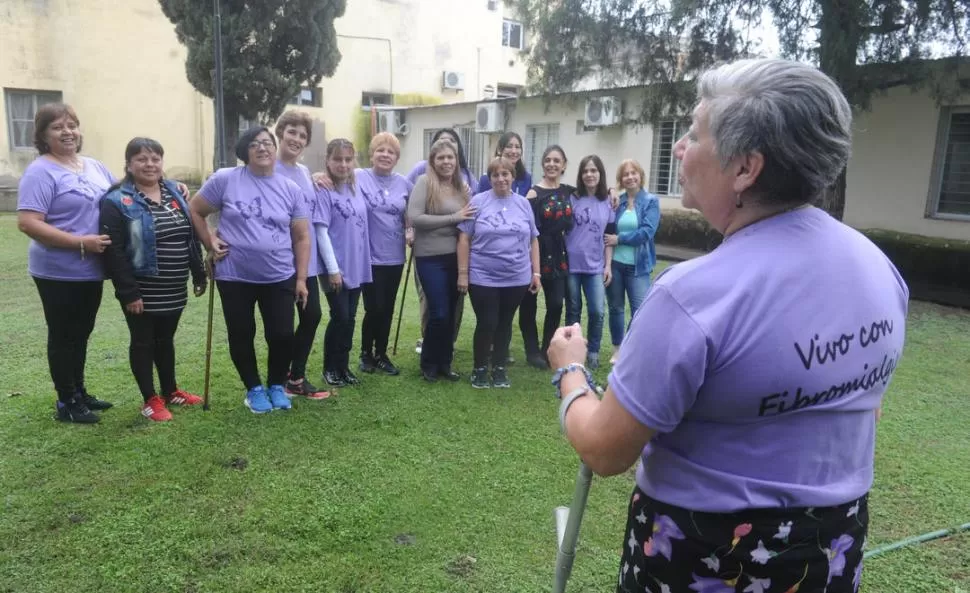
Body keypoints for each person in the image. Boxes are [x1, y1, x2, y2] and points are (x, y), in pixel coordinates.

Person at [547, 58, 908, 593]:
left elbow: (604, 450)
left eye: (693, 134)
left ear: (745, 168)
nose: (678, 147)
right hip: (829, 555)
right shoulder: (879, 267)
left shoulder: (692, 295)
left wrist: (571, 372)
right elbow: (862, 400)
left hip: (707, 560)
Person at [188, 126, 310, 414]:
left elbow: (302, 237)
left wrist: (302, 278)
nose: (263, 148)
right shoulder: (226, 179)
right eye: (255, 144)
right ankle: (254, 388)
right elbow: (195, 209)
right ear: (245, 151)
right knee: (241, 332)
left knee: (282, 334)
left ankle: (277, 385)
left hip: (279, 274)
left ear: (274, 148)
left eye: (267, 142)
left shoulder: (290, 189)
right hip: (234, 274)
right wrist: (209, 240)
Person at [16, 103, 116, 423]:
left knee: (82, 331)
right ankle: (66, 402)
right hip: (57, 269)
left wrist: (167, 187)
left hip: (91, 268)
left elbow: (122, 197)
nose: (67, 131)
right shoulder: (41, 171)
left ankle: (80, 392)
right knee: (63, 333)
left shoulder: (94, 167)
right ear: (43, 135)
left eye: (72, 124)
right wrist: (79, 243)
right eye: (58, 127)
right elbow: (28, 223)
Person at [100, 137, 207, 422]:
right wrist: (129, 292)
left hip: (174, 285)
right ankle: (150, 399)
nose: (149, 164)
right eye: (141, 159)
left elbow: (190, 235)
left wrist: (198, 272)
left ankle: (171, 391)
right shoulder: (116, 201)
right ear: (129, 164)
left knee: (166, 340)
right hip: (142, 289)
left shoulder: (175, 191)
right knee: (143, 341)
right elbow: (114, 252)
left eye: (155, 158)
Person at [457, 157, 541, 388]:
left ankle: (500, 367)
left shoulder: (523, 204)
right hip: (483, 275)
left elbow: (533, 239)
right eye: (495, 175)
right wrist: (463, 273)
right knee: (487, 321)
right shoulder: (478, 201)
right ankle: (480, 368)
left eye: (505, 174)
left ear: (513, 177)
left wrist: (537, 273)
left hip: (517, 277)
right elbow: (464, 238)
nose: (501, 179)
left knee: (505, 322)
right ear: (489, 178)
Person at [406, 138, 475, 382]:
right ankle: (428, 362)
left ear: (457, 161)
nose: (446, 162)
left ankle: (445, 363)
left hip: (455, 258)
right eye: (441, 158)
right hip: (430, 258)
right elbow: (415, 218)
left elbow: (469, 220)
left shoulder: (461, 188)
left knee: (452, 314)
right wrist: (454, 217)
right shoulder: (425, 183)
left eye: (450, 157)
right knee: (439, 313)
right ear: (433, 162)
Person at [273, 111, 330, 400]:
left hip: (306, 260)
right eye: (291, 132)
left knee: (312, 316)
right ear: (280, 133)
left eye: (302, 135)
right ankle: (281, 379)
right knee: (282, 328)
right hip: (279, 260)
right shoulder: (266, 168)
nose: (296, 139)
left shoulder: (305, 172)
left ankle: (294, 377)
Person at [314, 138, 372, 387]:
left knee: (350, 318)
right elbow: (320, 231)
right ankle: (330, 367)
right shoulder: (323, 189)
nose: (343, 164)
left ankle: (344, 366)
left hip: (356, 263)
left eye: (348, 159)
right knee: (339, 315)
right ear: (327, 160)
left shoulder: (355, 185)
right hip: (335, 266)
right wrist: (332, 269)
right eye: (337, 159)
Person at [356, 132, 413, 375]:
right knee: (374, 306)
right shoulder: (357, 176)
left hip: (395, 257)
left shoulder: (404, 183)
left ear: (397, 158)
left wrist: (411, 228)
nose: (385, 155)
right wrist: (317, 176)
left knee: (387, 306)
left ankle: (381, 354)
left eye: (391, 152)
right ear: (372, 154)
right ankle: (365, 353)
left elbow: (411, 211)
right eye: (381, 150)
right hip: (368, 255)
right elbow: (332, 179)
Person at [519, 145, 574, 368]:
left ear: (564, 165)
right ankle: (532, 351)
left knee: (555, 304)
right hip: (536, 252)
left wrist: (610, 192)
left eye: (557, 160)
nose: (552, 164)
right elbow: (528, 231)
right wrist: (534, 267)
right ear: (543, 164)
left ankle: (547, 349)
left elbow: (594, 191)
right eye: (548, 160)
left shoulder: (569, 191)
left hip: (559, 254)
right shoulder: (533, 194)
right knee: (528, 304)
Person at [604, 159, 660, 364]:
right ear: (621, 179)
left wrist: (620, 239)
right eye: (625, 174)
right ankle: (618, 349)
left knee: (640, 309)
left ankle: (632, 346)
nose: (630, 177)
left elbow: (647, 231)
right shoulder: (616, 201)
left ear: (640, 175)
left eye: (633, 173)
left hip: (639, 266)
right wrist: (610, 191)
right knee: (616, 308)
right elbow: (608, 227)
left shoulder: (650, 201)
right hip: (616, 264)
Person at [565, 155, 615, 370]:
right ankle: (572, 351)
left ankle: (593, 350)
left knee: (597, 311)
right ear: (580, 175)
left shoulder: (609, 202)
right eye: (585, 171)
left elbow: (609, 237)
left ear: (600, 174)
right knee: (573, 310)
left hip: (595, 266)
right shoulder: (572, 197)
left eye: (594, 170)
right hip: (571, 264)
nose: (589, 174)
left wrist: (608, 265)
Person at [476, 131, 532, 196]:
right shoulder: (486, 179)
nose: (514, 151)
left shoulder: (526, 178)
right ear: (499, 150)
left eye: (517, 147)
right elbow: (478, 204)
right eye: (509, 146)